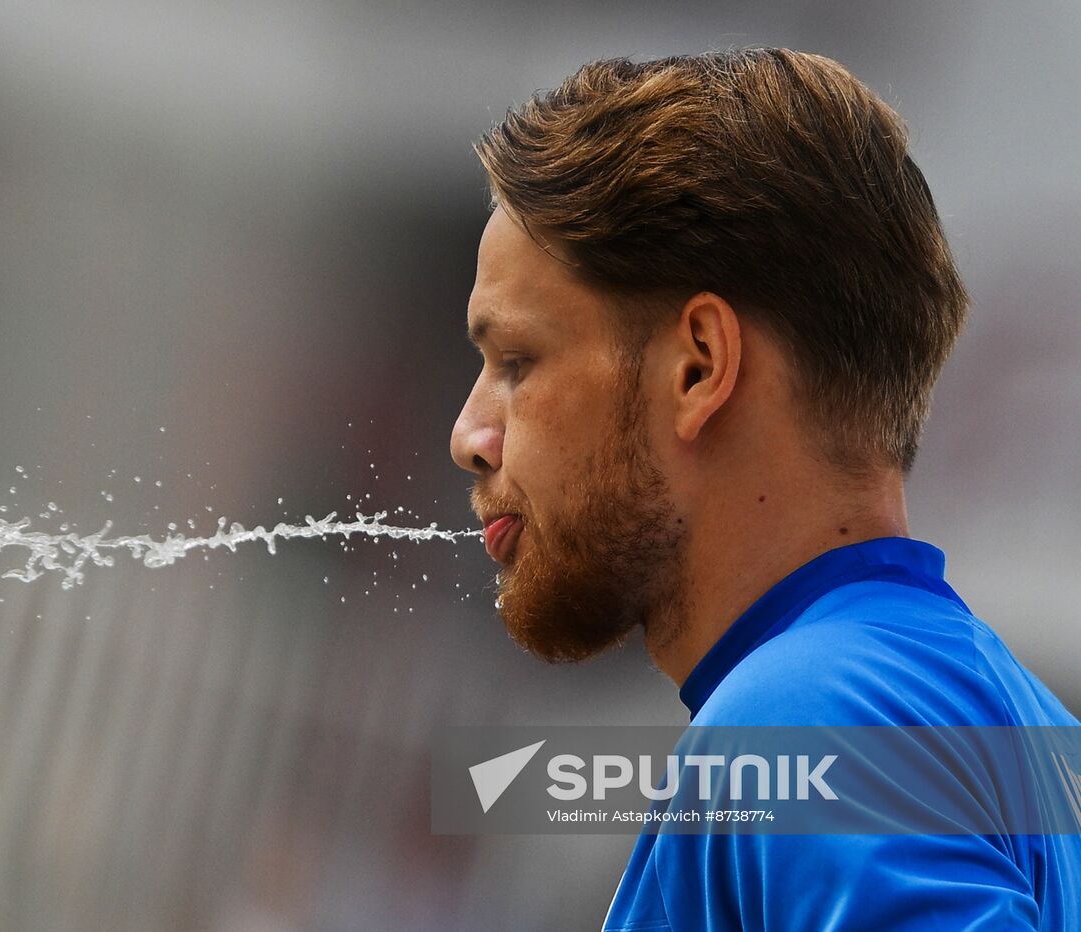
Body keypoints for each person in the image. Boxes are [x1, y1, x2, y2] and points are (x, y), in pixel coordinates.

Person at [450, 49, 1080, 930]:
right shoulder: (1017, 730)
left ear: (699, 367)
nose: (470, 438)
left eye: (518, 361)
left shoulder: (805, 717)